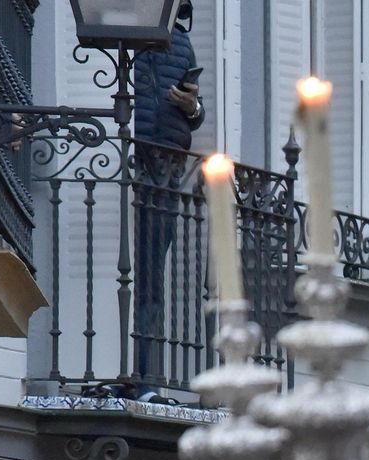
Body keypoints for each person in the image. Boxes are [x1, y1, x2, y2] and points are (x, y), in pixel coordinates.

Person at [129, 1, 204, 402]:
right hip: (131, 162)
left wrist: (191, 105)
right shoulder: (119, 32)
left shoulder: (182, 43)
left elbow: (197, 111)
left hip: (167, 167)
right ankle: (141, 377)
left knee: (152, 278)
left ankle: (148, 376)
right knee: (140, 277)